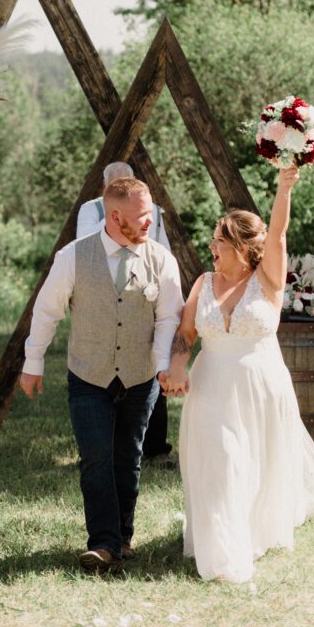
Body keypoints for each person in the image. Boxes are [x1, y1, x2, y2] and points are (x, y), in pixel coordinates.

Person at [163, 167, 314, 583]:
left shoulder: (267, 280)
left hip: (260, 386)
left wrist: (284, 188)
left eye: (220, 240)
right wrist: (177, 367)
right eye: (213, 239)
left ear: (243, 248)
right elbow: (186, 333)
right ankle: (221, 548)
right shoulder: (203, 283)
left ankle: (250, 530)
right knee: (222, 459)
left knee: (255, 463)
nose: (211, 246)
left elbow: (279, 234)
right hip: (212, 385)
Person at [20, 177, 183, 573]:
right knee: (96, 458)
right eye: (142, 216)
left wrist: (162, 365)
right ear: (115, 216)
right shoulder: (73, 256)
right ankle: (103, 543)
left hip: (140, 377)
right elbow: (47, 311)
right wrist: (33, 362)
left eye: (151, 215)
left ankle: (122, 536)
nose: (150, 222)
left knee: (128, 458)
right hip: (88, 376)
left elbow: (168, 318)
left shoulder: (161, 259)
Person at [77, 161, 175, 466]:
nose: (122, 190)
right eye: (115, 186)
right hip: (105, 293)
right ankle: (104, 446)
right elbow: (84, 245)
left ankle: (155, 446)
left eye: (128, 183)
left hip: (144, 286)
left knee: (151, 363)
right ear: (105, 186)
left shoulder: (154, 211)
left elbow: (163, 246)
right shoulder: (90, 211)